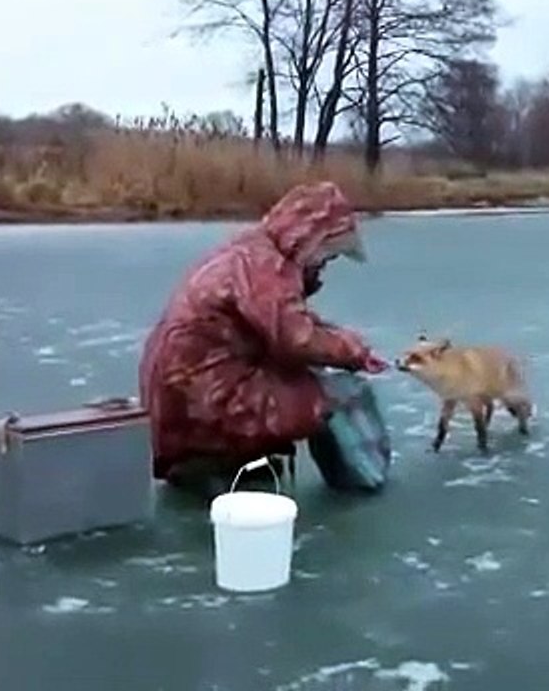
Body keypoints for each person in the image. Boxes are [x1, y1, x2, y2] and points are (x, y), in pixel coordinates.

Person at [138, 181, 389, 501]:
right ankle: (356, 481)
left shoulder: (248, 249)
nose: (324, 265)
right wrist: (353, 351)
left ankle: (217, 457)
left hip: (178, 390)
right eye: (326, 255)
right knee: (332, 395)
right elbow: (297, 338)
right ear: (311, 241)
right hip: (205, 394)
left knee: (291, 376)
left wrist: (340, 339)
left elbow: (284, 319)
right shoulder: (266, 267)